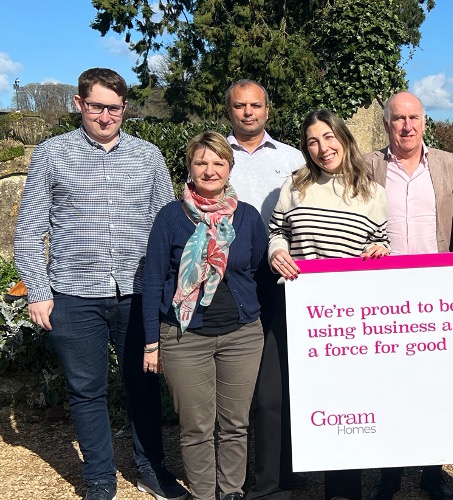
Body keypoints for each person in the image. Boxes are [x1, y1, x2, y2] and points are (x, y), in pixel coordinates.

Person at [13, 67, 188, 500]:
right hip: (73, 294)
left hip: (137, 295)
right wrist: (38, 290)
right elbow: (29, 229)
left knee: (144, 386)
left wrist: (167, 291)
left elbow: (165, 227)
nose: (106, 116)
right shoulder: (52, 155)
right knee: (86, 392)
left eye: (114, 108)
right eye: (97, 106)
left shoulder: (147, 156)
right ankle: (99, 479)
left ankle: (151, 468)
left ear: (125, 108)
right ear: (79, 104)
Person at [269, 109, 390, 500]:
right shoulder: (296, 187)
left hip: (350, 319)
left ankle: (343, 491)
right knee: (309, 402)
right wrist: (277, 253)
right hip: (304, 313)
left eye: (328, 137)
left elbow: (384, 243)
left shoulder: (372, 192)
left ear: (343, 137)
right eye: (312, 142)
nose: (323, 148)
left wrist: (380, 249)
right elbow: (277, 233)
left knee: (346, 406)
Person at [142, 131, 267, 500]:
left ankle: (230, 492)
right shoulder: (170, 217)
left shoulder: (247, 217)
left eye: (218, 162)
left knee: (235, 424)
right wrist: (152, 342)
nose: (209, 170)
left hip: (242, 335)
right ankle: (202, 494)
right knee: (195, 427)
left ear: (230, 167)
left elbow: (258, 269)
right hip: (184, 337)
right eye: (201, 162)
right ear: (189, 167)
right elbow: (152, 281)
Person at [364, 91, 453, 500]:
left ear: (424, 121)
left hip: (437, 290)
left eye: (414, 118)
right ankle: (388, 474)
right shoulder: (367, 165)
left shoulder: (451, 165)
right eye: (398, 119)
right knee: (389, 384)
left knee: (435, 385)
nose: (406, 126)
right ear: (386, 124)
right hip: (385, 292)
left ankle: (432, 471)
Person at [223, 79, 309, 500]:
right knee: (254, 383)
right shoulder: (216, 156)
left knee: (287, 375)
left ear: (267, 110)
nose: (248, 113)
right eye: (240, 106)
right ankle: (259, 477)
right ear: (230, 110)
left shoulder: (292, 158)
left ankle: (286, 467)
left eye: (255, 105)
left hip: (284, 274)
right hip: (235, 277)